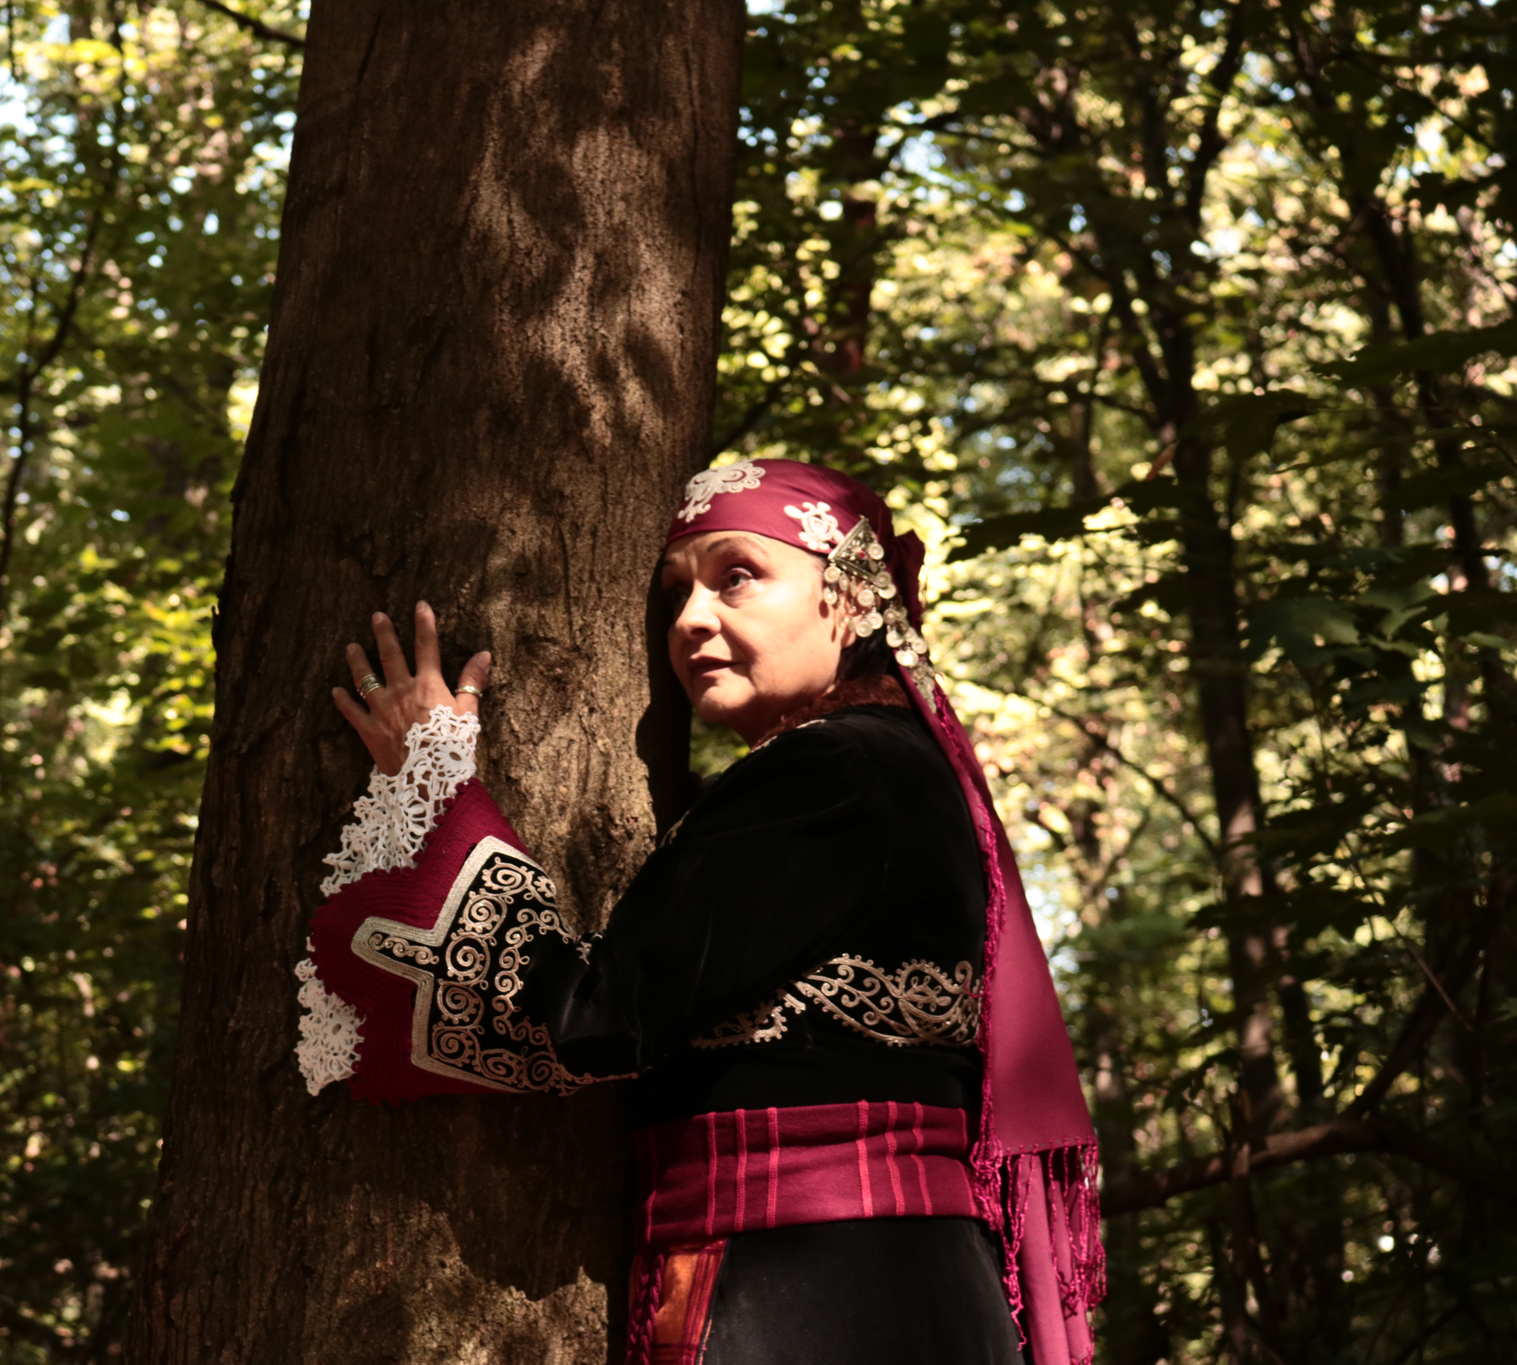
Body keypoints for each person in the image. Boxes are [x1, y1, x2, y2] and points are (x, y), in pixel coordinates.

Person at [293, 459, 1103, 1365]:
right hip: (884, 1281)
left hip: (814, 1291)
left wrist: (434, 777)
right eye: (676, 592)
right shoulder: (894, 766)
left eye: (737, 576)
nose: (689, 619)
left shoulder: (834, 770)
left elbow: (593, 1017)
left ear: (849, 597)